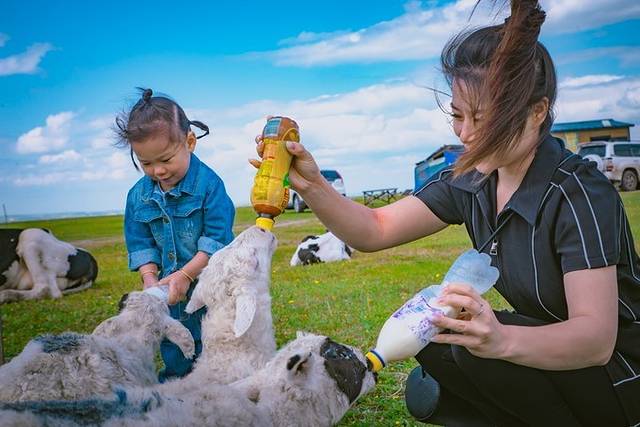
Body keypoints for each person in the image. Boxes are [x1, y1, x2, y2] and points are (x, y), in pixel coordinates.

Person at [252, 1, 639, 425]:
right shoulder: (473, 180)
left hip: (619, 371)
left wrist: (501, 340)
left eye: (485, 119)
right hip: (547, 351)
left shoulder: (579, 193)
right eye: (458, 115)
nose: (467, 134)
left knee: (469, 350)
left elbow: (595, 339)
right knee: (435, 343)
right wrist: (311, 184)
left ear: (537, 112)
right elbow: (375, 229)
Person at [117, 88, 235, 382]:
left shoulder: (210, 186)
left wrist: (186, 274)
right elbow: (140, 242)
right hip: (169, 290)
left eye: (166, 159)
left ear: (189, 142)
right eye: (146, 163)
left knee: (215, 340)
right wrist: (149, 279)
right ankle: (177, 387)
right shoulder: (137, 196)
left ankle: (219, 384)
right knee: (174, 344)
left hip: (210, 286)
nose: (158, 171)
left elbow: (217, 241)